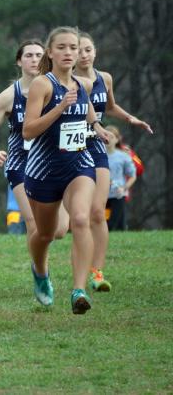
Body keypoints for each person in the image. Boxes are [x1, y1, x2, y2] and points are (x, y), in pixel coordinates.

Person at [22, 26, 110, 316]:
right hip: (44, 169)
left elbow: (88, 115)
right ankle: (40, 271)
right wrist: (59, 107)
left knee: (81, 219)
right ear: (50, 52)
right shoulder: (42, 85)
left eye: (73, 47)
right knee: (46, 234)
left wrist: (97, 128)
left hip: (78, 164)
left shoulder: (82, 86)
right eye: (62, 47)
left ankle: (79, 290)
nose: (69, 53)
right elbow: (28, 130)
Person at [75, 32, 153, 292]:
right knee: (79, 217)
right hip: (72, 147)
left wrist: (131, 119)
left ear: (95, 51)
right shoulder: (65, 81)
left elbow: (109, 107)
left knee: (98, 213)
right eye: (79, 50)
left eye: (88, 50)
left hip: (97, 146)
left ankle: (97, 272)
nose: (83, 55)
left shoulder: (104, 78)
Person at [0, 40, 44, 241]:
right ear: (19, 61)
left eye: (39, 55)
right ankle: (41, 270)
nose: (35, 60)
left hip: (53, 162)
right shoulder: (8, 97)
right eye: (29, 55)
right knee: (33, 221)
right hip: (21, 163)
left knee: (58, 228)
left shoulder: (57, 90)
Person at [104, 126, 135, 230]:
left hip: (117, 194)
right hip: (100, 194)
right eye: (105, 135)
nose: (108, 139)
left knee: (116, 224)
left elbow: (132, 176)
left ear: (117, 139)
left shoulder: (123, 156)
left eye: (111, 137)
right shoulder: (96, 156)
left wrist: (124, 188)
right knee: (101, 222)